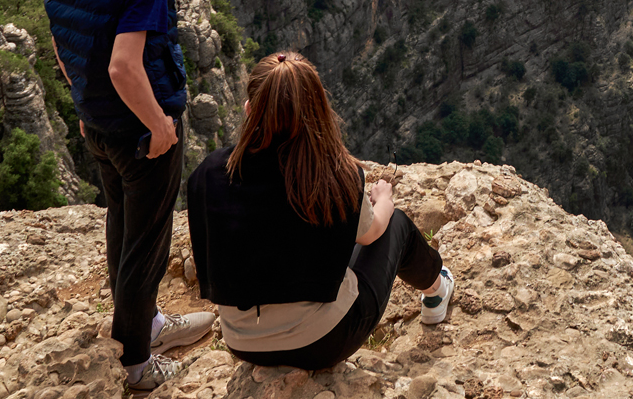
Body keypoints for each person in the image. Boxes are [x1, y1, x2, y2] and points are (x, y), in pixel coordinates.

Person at [44, 0, 215, 391]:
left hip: (99, 128)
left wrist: (84, 104)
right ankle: (139, 365)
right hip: (141, 132)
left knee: (122, 225)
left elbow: (60, 41)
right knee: (147, 245)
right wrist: (160, 126)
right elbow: (124, 65)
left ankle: (148, 322)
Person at [185, 52, 455, 370]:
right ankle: (437, 291)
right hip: (323, 343)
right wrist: (383, 198)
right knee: (394, 222)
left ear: (249, 110)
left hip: (242, 343)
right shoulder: (332, 174)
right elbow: (372, 234)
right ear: (318, 111)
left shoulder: (208, 173)